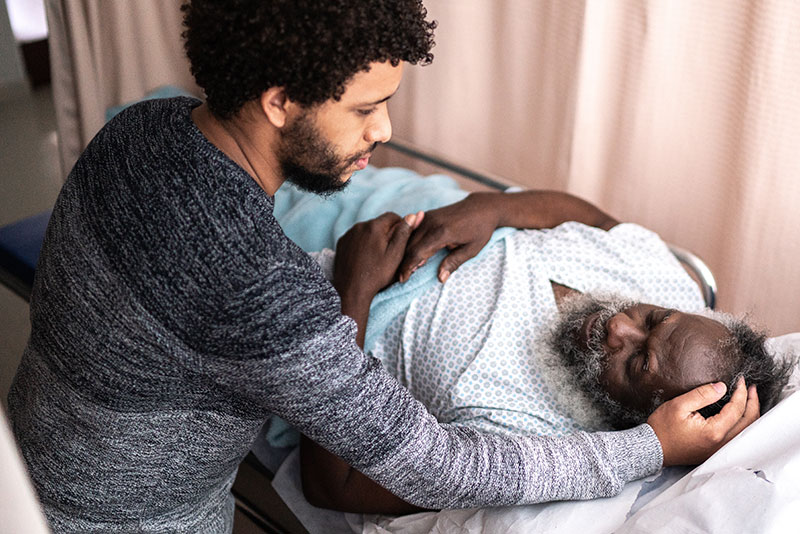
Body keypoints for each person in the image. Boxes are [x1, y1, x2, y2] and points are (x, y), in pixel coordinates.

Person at [7, 1, 758, 532]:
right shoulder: (266, 290)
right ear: (279, 101)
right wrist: (650, 447)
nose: (386, 128)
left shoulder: (139, 128)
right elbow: (440, 468)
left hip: (25, 456)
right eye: (366, 107)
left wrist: (496, 207)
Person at [298, 190, 793, 513]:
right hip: (403, 201)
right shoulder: (667, 283)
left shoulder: (527, 442)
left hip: (319, 299)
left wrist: (352, 294)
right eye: (653, 318)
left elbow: (332, 485)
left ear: (637, 419)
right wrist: (493, 208)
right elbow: (592, 218)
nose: (619, 325)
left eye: (636, 363)